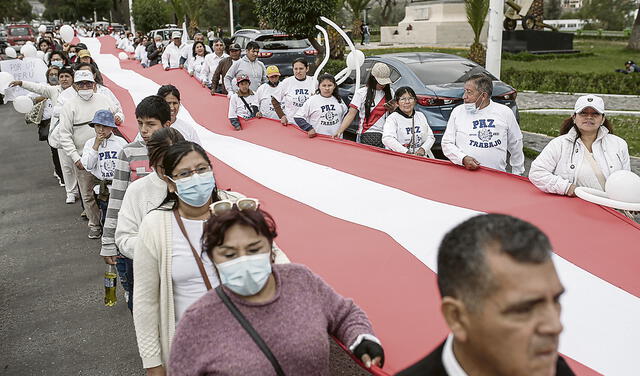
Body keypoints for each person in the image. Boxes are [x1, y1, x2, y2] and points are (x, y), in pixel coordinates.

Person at [168, 204, 384, 375]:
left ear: (271, 249)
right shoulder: (196, 322)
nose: (244, 260)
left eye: (254, 249)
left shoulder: (300, 280)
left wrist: (362, 337)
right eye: (229, 254)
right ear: (213, 259)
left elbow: (345, 314)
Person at [397, 214, 574, 376]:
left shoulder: (555, 369)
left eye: (556, 300)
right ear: (457, 317)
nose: (555, 326)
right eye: (524, 309)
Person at [132, 142, 249, 374]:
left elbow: (276, 263)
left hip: (249, 341)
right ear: (170, 183)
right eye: (185, 174)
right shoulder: (155, 226)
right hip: (193, 353)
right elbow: (145, 302)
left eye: (202, 169)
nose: (196, 178)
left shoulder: (239, 208)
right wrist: (153, 363)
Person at [101, 96, 172, 310]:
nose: (144, 130)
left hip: (170, 241)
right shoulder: (129, 152)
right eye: (140, 123)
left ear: (166, 125)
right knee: (141, 300)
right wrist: (108, 242)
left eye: (151, 124)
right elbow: (117, 199)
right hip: (138, 242)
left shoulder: (179, 150)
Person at [58, 70, 120, 238]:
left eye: (88, 83)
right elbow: (64, 135)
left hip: (109, 154)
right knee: (87, 194)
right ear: (75, 86)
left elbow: (117, 111)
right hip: (82, 157)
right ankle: (95, 225)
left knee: (112, 190)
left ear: (94, 84)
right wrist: (75, 157)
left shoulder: (104, 99)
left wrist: (119, 117)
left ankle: (114, 224)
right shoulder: (69, 105)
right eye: (81, 84)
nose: (85, 86)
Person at [529, 95, 630, 196]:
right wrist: (566, 188)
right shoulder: (559, 144)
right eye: (583, 113)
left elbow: (626, 179)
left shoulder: (619, 144)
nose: (589, 117)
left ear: (603, 119)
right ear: (574, 117)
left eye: (595, 113)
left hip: (609, 208)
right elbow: (537, 173)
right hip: (572, 208)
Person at [115, 128, 185, 261]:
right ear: (152, 161)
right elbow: (124, 238)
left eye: (177, 163)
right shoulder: (137, 190)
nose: (171, 171)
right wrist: (163, 248)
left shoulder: (196, 184)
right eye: (164, 166)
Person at [441, 73, 525, 175]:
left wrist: (518, 172)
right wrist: (462, 158)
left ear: (484, 95)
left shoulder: (504, 112)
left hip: (496, 176)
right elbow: (446, 143)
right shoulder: (458, 112)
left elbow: (516, 143)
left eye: (469, 92)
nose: (464, 97)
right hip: (464, 174)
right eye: (464, 91)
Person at [80, 110, 128, 224]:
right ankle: (106, 237)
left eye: (105, 126)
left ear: (111, 127)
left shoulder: (120, 142)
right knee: (107, 218)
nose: (101, 130)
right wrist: (96, 146)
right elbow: (88, 165)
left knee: (123, 217)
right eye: (98, 126)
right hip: (103, 189)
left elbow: (128, 164)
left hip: (120, 187)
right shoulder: (89, 144)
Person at [334, 62, 396, 147]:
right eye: (380, 82)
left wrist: (393, 109)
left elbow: (395, 116)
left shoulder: (391, 92)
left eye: (385, 82)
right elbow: (351, 114)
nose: (383, 85)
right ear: (373, 78)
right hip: (365, 135)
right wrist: (339, 131)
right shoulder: (361, 93)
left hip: (386, 136)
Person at [382, 86, 435, 157]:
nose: (407, 102)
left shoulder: (420, 116)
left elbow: (430, 137)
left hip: (421, 157)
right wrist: (406, 152)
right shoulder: (392, 118)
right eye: (403, 99)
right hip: (400, 158)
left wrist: (423, 149)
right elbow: (387, 138)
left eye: (410, 98)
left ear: (415, 101)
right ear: (397, 102)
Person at [294, 73, 347, 138]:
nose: (327, 88)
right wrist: (309, 128)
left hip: (336, 139)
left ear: (334, 86)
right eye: (324, 85)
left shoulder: (339, 100)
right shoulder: (312, 100)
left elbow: (346, 116)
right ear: (319, 86)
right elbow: (298, 116)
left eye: (330, 85)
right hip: (318, 139)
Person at [272, 58, 316, 126]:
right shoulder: (287, 82)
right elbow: (274, 99)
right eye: (295, 69)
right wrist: (282, 116)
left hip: (310, 123)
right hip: (292, 123)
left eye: (301, 68)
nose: (298, 71)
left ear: (307, 69)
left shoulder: (314, 82)